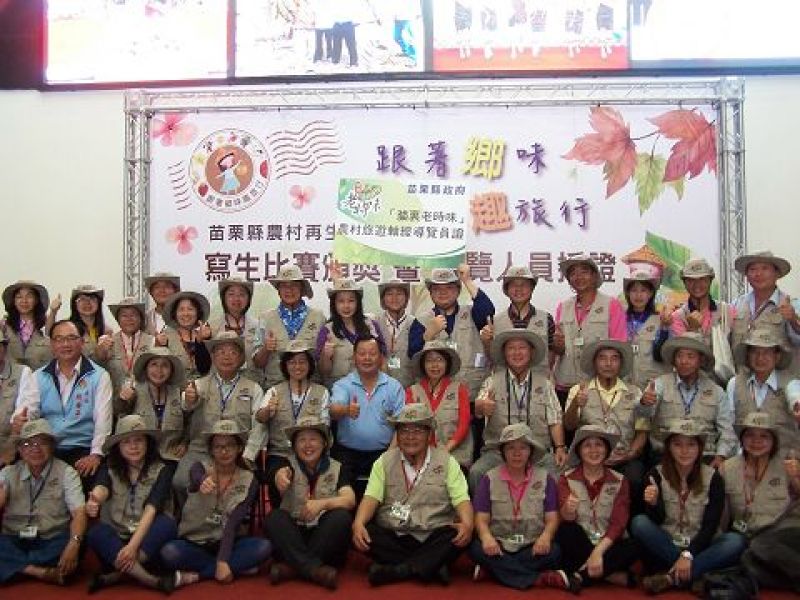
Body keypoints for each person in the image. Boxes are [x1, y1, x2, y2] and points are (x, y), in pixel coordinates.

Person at [352, 404, 473, 586]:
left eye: (417, 431)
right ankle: (431, 565)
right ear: (397, 435)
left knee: (459, 533)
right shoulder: (383, 462)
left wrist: (468, 525)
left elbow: (462, 500)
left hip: (432, 533)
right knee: (363, 531)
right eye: (404, 431)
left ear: (429, 434)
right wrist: (358, 523)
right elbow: (370, 497)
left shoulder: (448, 462)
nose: (410, 437)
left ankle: (399, 570)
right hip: (395, 534)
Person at [630, 418, 745, 594]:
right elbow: (657, 520)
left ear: (699, 448)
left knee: (735, 541)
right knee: (639, 523)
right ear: (669, 447)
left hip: (701, 545)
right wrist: (653, 504)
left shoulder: (713, 478)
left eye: (691, 445)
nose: (684, 451)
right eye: (678, 444)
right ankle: (693, 574)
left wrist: (688, 554)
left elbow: (710, 526)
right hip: (668, 544)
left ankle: (670, 577)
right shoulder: (655, 474)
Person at [160, 420, 272, 585]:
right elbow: (196, 475)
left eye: (230, 446)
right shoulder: (199, 468)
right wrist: (202, 480)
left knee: (264, 547)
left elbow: (233, 523)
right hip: (196, 541)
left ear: (239, 448)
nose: (224, 451)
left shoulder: (249, 479)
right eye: (218, 446)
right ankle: (235, 566)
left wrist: (222, 559)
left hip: (229, 542)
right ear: (211, 450)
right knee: (169, 552)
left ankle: (198, 575)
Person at [470, 423, 579, 592]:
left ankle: (494, 570)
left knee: (555, 551)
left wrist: (546, 537)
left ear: (531, 451)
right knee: (476, 548)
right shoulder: (489, 479)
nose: (517, 453)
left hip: (532, 545)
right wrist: (486, 538)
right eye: (510, 448)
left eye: (523, 448)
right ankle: (541, 578)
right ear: (503, 452)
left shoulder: (545, 479)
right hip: (499, 545)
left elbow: (552, 518)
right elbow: (481, 518)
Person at [84, 415, 178, 593]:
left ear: (147, 442)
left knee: (167, 524)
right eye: (126, 442)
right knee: (96, 533)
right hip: (117, 541)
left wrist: (133, 547)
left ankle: (117, 575)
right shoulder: (109, 467)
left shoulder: (163, 469)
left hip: (146, 543)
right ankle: (151, 580)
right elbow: (101, 488)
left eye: (138, 440)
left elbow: (151, 509)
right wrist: (95, 500)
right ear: (118, 446)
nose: (133, 446)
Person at [12, 319, 113, 483]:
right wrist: (21, 421)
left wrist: (96, 454)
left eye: (71, 338)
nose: (65, 344)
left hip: (83, 448)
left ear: (82, 341)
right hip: (47, 448)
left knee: (96, 483)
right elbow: (28, 410)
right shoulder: (38, 376)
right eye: (59, 339)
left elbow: (103, 420)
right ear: (52, 344)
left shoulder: (99, 376)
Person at [264, 416, 355, 590]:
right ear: (294, 445)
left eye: (313, 439)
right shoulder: (286, 464)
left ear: (324, 443)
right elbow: (278, 473)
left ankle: (292, 568)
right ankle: (314, 570)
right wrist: (279, 476)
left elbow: (350, 499)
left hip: (324, 537)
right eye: (302, 440)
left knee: (341, 517)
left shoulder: (337, 467)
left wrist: (322, 504)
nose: (307, 445)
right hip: (295, 536)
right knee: (274, 518)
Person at [469, 329, 566, 491]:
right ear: (504, 353)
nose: (517, 353)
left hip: (538, 453)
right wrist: (480, 407)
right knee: (476, 472)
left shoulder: (545, 383)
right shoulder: (491, 382)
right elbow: (479, 410)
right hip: (498, 452)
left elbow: (554, 419)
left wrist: (560, 447)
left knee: (557, 475)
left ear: (531, 352)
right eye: (511, 348)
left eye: (522, 348)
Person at [0, 419, 86, 586]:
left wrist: (74, 542)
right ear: (20, 450)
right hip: (14, 538)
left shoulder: (67, 473)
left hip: (51, 539)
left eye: (42, 442)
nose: (35, 449)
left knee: (79, 542)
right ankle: (38, 571)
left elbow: (79, 512)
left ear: (52, 446)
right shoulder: (7, 473)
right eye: (27, 444)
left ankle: (14, 566)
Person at [174, 332, 262, 495]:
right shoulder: (198, 385)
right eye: (221, 352)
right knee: (180, 482)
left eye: (233, 352)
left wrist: (248, 455)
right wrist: (190, 400)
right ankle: (192, 511)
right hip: (201, 449)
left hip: (237, 453)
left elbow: (259, 427)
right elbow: (185, 405)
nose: (227, 357)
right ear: (212, 356)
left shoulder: (254, 389)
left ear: (241, 358)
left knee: (241, 489)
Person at [244, 341, 330, 507]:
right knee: (280, 478)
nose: (297, 366)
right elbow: (260, 418)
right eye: (292, 362)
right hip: (280, 454)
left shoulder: (322, 392)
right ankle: (282, 514)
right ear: (285, 366)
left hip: (312, 454)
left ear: (310, 365)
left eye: (302, 362)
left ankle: (310, 514)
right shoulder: (274, 391)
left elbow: (325, 427)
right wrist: (268, 410)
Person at [563, 339, 647, 503]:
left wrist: (629, 454)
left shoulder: (636, 392)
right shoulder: (579, 390)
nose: (608, 364)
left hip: (624, 459)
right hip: (587, 459)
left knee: (636, 478)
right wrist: (575, 404)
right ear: (594, 363)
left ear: (621, 363)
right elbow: (569, 425)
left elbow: (642, 431)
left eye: (614, 358)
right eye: (602, 358)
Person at [556, 425, 639, 588]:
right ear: (579, 451)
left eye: (599, 445)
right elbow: (566, 518)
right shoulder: (566, 478)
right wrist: (568, 510)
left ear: (607, 450)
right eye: (587, 445)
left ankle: (581, 576)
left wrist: (598, 552)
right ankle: (610, 575)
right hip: (581, 543)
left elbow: (618, 524)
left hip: (608, 544)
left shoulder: (620, 480)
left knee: (636, 545)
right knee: (565, 532)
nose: (593, 450)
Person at [639, 332, 738, 468]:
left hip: (704, 457)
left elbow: (728, 430)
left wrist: (721, 456)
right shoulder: (659, 384)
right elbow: (644, 416)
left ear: (701, 360)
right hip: (665, 455)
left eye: (690, 356)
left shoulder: (717, 392)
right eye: (680, 355)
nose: (684, 361)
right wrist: (645, 404)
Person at [408, 265, 494, 403]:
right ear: (430, 293)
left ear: (458, 291)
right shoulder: (421, 320)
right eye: (437, 289)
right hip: (436, 401)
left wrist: (467, 281)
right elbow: (412, 357)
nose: (443, 292)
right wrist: (427, 335)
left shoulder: (472, 313)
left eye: (449, 287)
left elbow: (488, 312)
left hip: (473, 395)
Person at [552, 253, 626, 406]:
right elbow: (558, 350)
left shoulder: (611, 305)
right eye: (573, 273)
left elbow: (619, 347)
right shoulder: (562, 307)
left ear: (594, 275)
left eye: (584, 271)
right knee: (567, 422)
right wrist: (556, 345)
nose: (578, 277)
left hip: (598, 386)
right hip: (565, 384)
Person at [329, 336, 404, 481]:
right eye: (362, 353)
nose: (367, 358)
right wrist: (346, 410)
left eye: (372, 353)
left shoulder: (394, 386)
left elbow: (401, 426)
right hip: (347, 454)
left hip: (385, 452)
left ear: (381, 357)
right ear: (354, 358)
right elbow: (333, 410)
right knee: (343, 490)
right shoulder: (343, 385)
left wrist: (389, 456)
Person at [721, 411, 798, 539]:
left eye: (764, 436)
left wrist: (795, 478)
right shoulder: (726, 468)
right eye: (750, 435)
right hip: (740, 536)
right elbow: (722, 516)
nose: (756, 441)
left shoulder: (787, 466)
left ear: (773, 441)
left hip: (777, 537)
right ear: (742, 438)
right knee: (731, 542)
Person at [728, 327, 800, 456]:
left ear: (777, 356)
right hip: (744, 457)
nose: (760, 358)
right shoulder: (734, 383)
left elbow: (795, 398)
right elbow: (729, 425)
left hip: (782, 458)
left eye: (766, 352)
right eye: (755, 352)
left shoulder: (791, 383)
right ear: (748, 355)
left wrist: (796, 405)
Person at [253, 265, 326, 390]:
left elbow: (325, 363)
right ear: (278, 290)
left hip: (311, 390)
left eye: (294, 285)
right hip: (275, 389)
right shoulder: (265, 318)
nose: (289, 290)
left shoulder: (318, 317)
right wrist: (266, 349)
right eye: (284, 286)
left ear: (302, 288)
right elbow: (258, 363)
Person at [731, 250, 800, 375]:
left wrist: (794, 320)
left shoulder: (793, 305)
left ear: (777, 273)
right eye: (753, 269)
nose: (758, 274)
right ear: (746, 275)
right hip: (743, 380)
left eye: (765, 268)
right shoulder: (736, 304)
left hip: (781, 382)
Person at [406, 340, 472, 467]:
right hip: (421, 454)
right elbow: (411, 427)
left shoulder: (459, 389)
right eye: (429, 360)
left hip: (455, 454)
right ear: (423, 365)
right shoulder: (412, 392)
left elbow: (463, 425)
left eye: (440, 360)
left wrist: (445, 450)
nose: (435, 365)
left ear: (447, 363)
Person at [480, 265, 554, 378]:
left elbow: (552, 353)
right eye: (514, 285)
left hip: (539, 383)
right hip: (504, 383)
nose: (519, 289)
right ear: (506, 290)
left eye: (524, 285)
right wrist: (486, 342)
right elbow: (491, 358)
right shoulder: (494, 321)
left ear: (532, 288)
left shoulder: (546, 319)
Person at [119, 346, 187, 462]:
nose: (159, 370)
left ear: (171, 370)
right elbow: (120, 417)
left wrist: (185, 442)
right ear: (146, 368)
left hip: (172, 457)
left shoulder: (179, 393)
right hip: (140, 459)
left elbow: (190, 422)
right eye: (154, 364)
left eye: (165, 365)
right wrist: (122, 400)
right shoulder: (133, 391)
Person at [316, 278, 385, 389]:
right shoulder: (327, 329)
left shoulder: (371, 325)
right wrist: (326, 356)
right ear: (334, 304)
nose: (346, 306)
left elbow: (382, 358)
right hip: (337, 388)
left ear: (358, 302)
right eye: (341, 301)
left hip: (368, 386)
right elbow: (323, 371)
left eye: (351, 301)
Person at [94, 296, 154, 401]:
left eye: (133, 315)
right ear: (117, 319)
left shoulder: (152, 341)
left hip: (145, 402)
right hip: (115, 402)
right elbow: (97, 371)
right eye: (124, 315)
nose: (129, 319)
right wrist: (100, 353)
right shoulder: (107, 343)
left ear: (140, 318)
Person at [669, 257, 735, 349]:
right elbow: (685, 354)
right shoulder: (677, 317)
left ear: (710, 280)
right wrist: (692, 330)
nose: (697, 284)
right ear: (684, 283)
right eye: (691, 280)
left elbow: (736, 348)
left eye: (702, 279)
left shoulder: (727, 311)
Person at [622, 270, 671, 389]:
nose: (638, 295)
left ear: (650, 293)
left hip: (653, 387)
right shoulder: (620, 319)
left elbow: (663, 355)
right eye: (634, 290)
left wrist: (664, 328)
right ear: (628, 293)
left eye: (643, 290)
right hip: (625, 386)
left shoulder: (662, 320)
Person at [208, 277, 261, 383]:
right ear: (223, 298)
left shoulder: (258, 325)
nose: (236, 299)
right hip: (219, 385)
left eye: (242, 294)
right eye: (231, 294)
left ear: (248, 299)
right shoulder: (211, 326)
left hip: (252, 384)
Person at [157, 290, 212, 381]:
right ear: (175, 314)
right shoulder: (165, 337)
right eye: (181, 309)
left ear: (197, 313)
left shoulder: (207, 335)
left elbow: (206, 368)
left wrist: (201, 342)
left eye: (190, 309)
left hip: (204, 387)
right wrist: (160, 345)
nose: (186, 314)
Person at [1, 280, 52, 370]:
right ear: (14, 301)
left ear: (36, 300)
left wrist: (54, 312)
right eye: (19, 297)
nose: (24, 301)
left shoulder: (47, 324)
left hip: (40, 375)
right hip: (11, 376)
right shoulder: (4, 325)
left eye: (29, 296)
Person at [0, 329, 33, 466]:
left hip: (12, 448)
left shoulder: (23, 372)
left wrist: (10, 448)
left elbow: (22, 414)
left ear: (4, 348)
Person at [51, 284, 112, 358]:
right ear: (74, 304)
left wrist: (102, 350)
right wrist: (53, 311)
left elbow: (107, 359)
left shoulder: (106, 330)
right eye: (82, 299)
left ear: (99, 304)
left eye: (92, 299)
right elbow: (49, 333)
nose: (87, 303)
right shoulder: (67, 326)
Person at [375, 278, 414, 388]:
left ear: (406, 298)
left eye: (399, 293)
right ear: (383, 299)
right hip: (380, 388)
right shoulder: (374, 324)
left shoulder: (415, 324)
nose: (394, 298)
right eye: (389, 294)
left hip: (409, 387)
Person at [143, 272, 181, 337]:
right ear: (151, 293)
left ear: (175, 292)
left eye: (167, 287)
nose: (162, 290)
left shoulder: (184, 318)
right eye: (157, 287)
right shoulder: (143, 320)